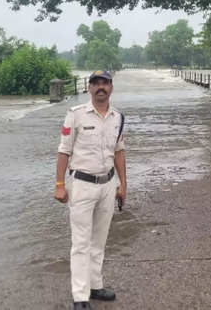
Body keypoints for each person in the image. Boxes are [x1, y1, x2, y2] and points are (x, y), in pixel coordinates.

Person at [55, 70, 127, 310]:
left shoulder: (118, 117)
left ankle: (96, 286)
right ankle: (80, 296)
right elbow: (63, 151)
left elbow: (118, 151)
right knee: (81, 243)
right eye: (96, 83)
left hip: (107, 185)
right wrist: (59, 185)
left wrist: (123, 184)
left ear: (111, 87)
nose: (100, 87)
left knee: (99, 240)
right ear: (89, 88)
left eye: (104, 83)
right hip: (82, 186)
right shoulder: (75, 115)